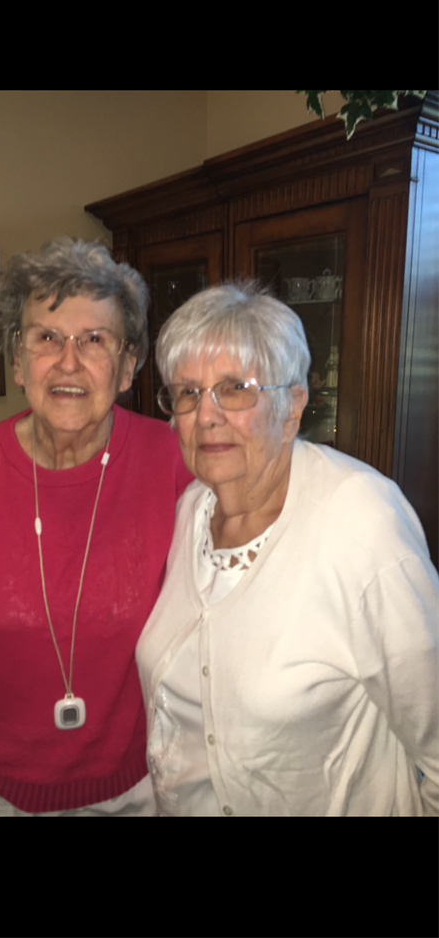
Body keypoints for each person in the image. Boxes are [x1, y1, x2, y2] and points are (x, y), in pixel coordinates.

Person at [0, 238, 191, 817]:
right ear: (17, 360)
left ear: (128, 365)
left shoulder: (175, 461)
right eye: (47, 337)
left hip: (133, 782)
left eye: (95, 340)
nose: (69, 361)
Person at [136, 283, 439, 817]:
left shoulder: (361, 521)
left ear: (293, 405)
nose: (205, 415)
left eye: (234, 388)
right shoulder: (191, 510)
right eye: (186, 392)